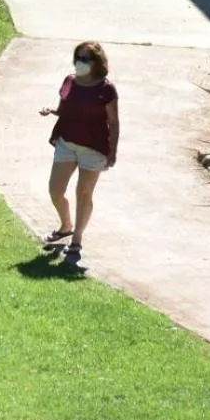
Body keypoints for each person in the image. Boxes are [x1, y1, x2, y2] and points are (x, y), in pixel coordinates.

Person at [37, 41, 120, 263]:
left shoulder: (106, 89)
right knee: (55, 190)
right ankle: (66, 226)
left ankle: (77, 240)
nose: (79, 63)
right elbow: (63, 107)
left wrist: (112, 152)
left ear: (96, 62)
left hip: (93, 149)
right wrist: (51, 111)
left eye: (84, 59)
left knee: (83, 194)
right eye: (77, 58)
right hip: (67, 142)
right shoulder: (69, 81)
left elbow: (113, 122)